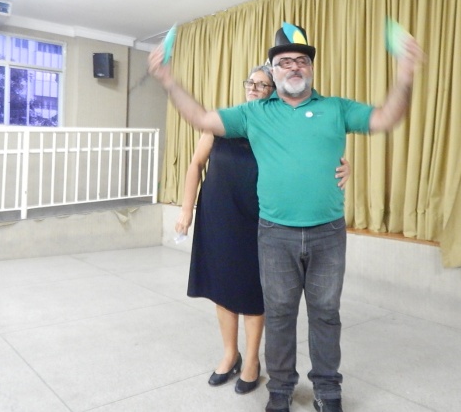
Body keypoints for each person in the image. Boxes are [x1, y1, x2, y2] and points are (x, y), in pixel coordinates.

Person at [149, 22, 425, 412]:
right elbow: (201, 118)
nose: (294, 66)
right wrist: (167, 78)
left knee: (326, 314)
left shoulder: (336, 108)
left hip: (327, 232)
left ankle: (327, 389)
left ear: (311, 68)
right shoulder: (255, 113)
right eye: (284, 62)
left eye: (301, 60)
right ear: (274, 71)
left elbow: (385, 118)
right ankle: (280, 388)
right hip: (275, 233)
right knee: (278, 314)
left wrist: (405, 74)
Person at [176, 63, 352, 395]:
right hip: (218, 215)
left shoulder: (278, 126)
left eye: (262, 84)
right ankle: (230, 355)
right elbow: (196, 163)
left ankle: (253, 361)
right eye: (251, 83)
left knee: (253, 292)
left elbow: (312, 156)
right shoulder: (223, 122)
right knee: (222, 286)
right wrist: (186, 210)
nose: (254, 88)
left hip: (258, 219)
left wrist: (344, 166)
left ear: (274, 92)